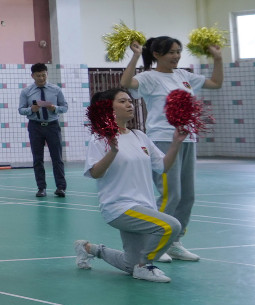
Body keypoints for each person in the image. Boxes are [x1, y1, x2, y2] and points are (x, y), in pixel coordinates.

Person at [120, 36, 222, 262]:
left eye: (178, 52)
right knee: (171, 194)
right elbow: (126, 83)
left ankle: (174, 241)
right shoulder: (149, 77)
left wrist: (217, 58)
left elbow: (216, 83)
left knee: (187, 195)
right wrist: (136, 55)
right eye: (171, 52)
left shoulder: (184, 76)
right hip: (163, 140)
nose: (176, 56)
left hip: (187, 138)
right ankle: (155, 241)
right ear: (157, 54)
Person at [74, 89, 185, 283]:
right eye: (122, 101)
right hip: (119, 208)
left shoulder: (139, 136)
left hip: (143, 207)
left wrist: (176, 143)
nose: (129, 105)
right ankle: (145, 266)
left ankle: (89, 248)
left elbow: (163, 166)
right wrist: (113, 151)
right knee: (171, 226)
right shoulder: (99, 139)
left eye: (130, 101)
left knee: (129, 265)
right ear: (109, 108)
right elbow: (95, 173)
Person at [19, 63, 68, 197]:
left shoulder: (56, 90)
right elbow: (21, 110)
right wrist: (31, 109)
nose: (41, 78)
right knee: (38, 158)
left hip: (52, 125)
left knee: (57, 158)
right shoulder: (26, 92)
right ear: (32, 76)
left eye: (43, 75)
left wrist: (55, 108)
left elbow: (65, 107)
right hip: (35, 126)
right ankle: (41, 188)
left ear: (47, 74)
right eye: (38, 76)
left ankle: (61, 187)